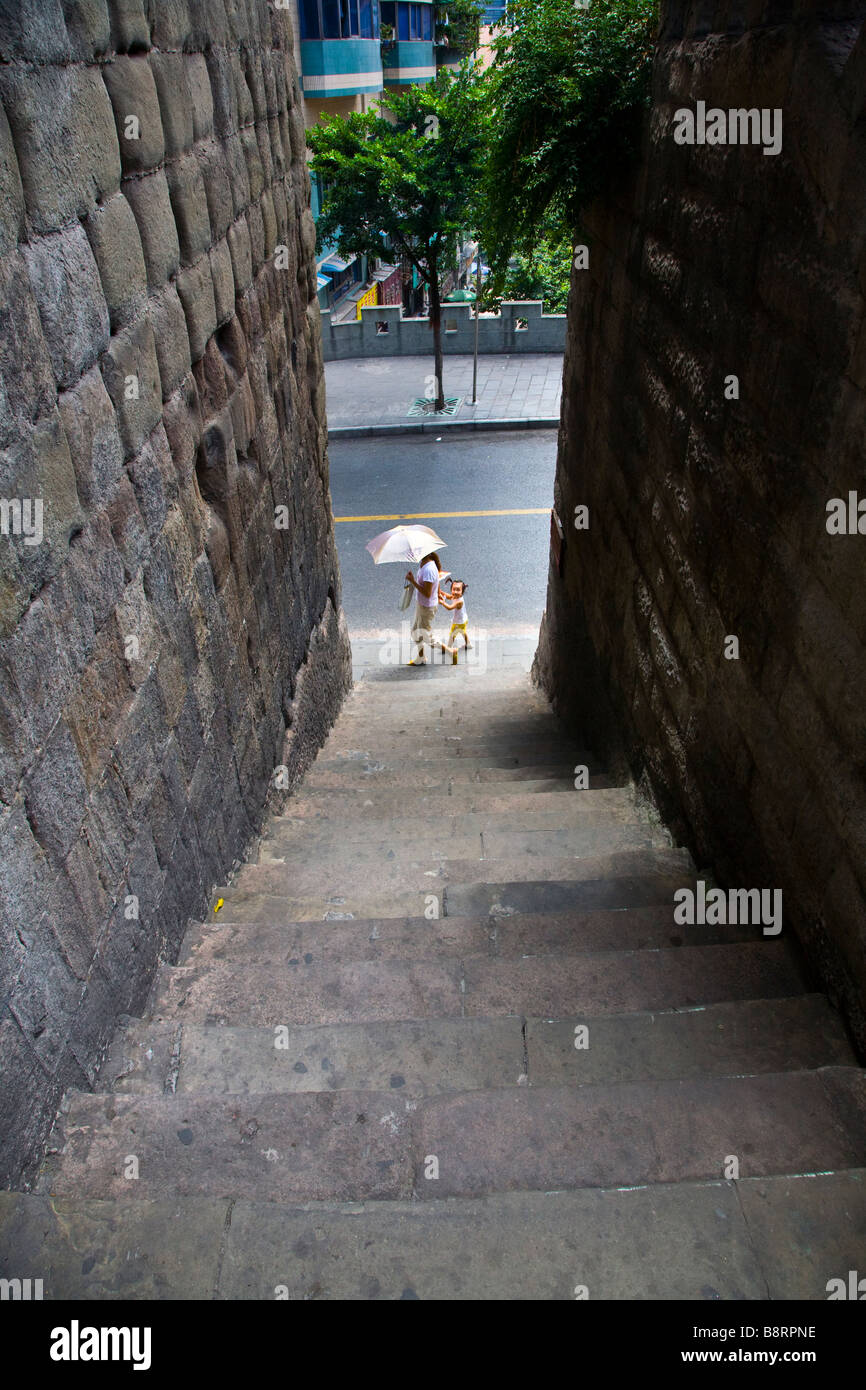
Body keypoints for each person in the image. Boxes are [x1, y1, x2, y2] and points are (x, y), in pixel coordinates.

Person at [405, 551, 442, 665]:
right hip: (422, 605)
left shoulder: (428, 569)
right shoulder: (425, 564)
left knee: (426, 637)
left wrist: (412, 581)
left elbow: (427, 593)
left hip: (427, 607)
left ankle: (451, 651)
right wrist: (439, 591)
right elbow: (436, 581)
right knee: (415, 632)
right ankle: (421, 657)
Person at [438, 579, 471, 663]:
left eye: (458, 590)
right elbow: (448, 596)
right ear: (451, 589)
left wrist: (442, 602)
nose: (455, 592)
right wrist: (440, 591)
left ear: (462, 592)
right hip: (462, 620)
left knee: (452, 634)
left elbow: (449, 607)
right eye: (453, 589)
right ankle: (468, 644)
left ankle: (448, 647)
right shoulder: (455, 596)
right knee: (463, 632)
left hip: (458, 622)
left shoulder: (459, 601)